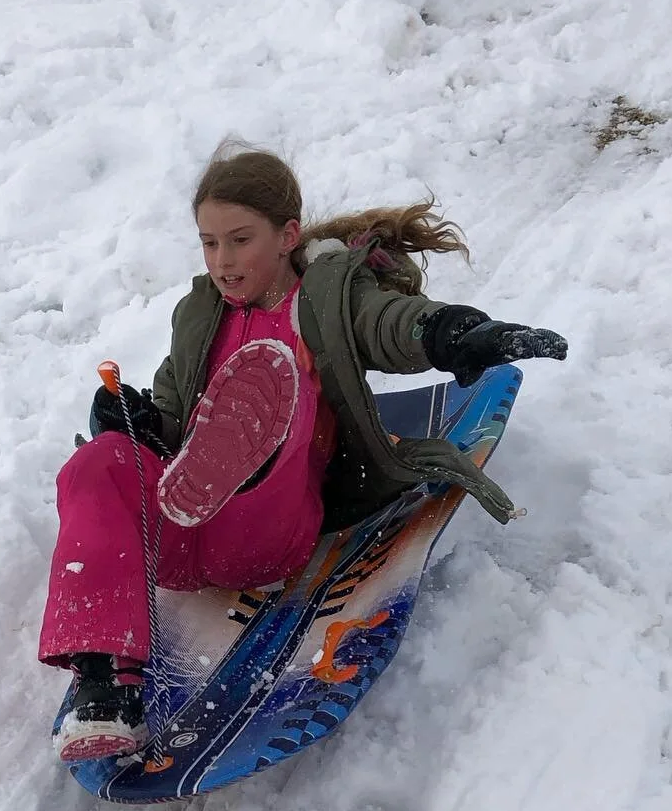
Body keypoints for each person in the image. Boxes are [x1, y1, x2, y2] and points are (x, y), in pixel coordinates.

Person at [40, 145, 567, 763]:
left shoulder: (326, 301)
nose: (223, 261)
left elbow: (392, 323)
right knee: (94, 464)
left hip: (273, 531)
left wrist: (454, 332)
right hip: (186, 541)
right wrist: (136, 424)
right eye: (210, 243)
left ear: (289, 235)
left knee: (282, 399)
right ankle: (107, 683)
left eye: (240, 240)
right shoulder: (198, 314)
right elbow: (174, 406)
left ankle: (253, 435)